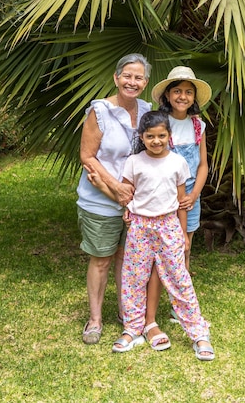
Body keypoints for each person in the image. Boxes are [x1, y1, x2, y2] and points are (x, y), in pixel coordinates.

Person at [101, 111, 214, 360]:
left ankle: (198, 333)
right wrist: (127, 211)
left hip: (168, 226)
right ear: (142, 137)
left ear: (169, 136)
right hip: (140, 228)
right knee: (133, 279)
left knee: (179, 279)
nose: (156, 141)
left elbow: (182, 202)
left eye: (161, 135)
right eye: (150, 136)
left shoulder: (177, 163)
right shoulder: (133, 162)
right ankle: (133, 329)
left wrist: (183, 234)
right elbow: (127, 193)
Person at [77, 53, 151, 344]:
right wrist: (115, 188)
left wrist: (129, 195)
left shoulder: (146, 110)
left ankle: (125, 311)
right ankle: (95, 318)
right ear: (116, 77)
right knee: (102, 260)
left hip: (133, 203)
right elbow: (87, 156)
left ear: (145, 82)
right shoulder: (100, 111)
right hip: (100, 201)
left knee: (125, 257)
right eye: (127, 76)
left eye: (139, 77)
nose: (132, 82)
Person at [146, 66, 212, 334]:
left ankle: (180, 306)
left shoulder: (199, 125)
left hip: (189, 199)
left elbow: (204, 165)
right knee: (158, 253)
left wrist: (194, 194)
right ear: (168, 95)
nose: (182, 96)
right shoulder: (159, 124)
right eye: (177, 91)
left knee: (184, 249)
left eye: (188, 92)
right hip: (162, 198)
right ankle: (149, 307)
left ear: (194, 97)